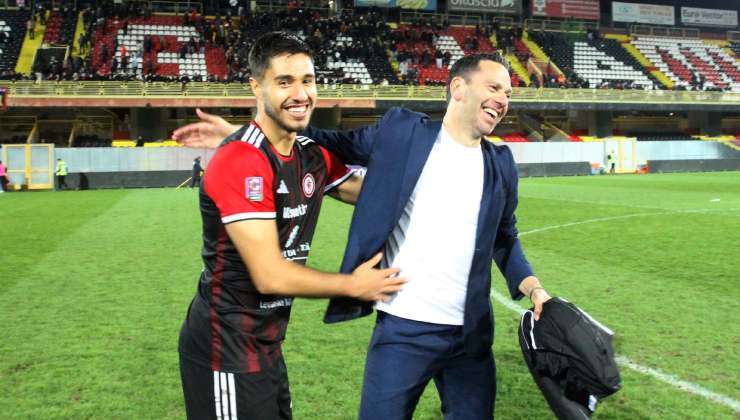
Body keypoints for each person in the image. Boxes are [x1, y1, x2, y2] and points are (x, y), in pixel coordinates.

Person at [175, 52, 552, 419]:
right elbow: (329, 142)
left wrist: (533, 287)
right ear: (458, 88)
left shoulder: (500, 164)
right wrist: (250, 137)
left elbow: (506, 236)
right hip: (403, 330)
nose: (502, 99)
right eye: (494, 87)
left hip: (470, 337)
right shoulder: (403, 131)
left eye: (508, 93)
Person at [175, 32, 405, 420]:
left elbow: (365, 193)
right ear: (256, 86)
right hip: (225, 345)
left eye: (308, 80)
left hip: (266, 343)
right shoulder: (240, 161)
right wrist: (353, 285)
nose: (301, 94)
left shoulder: (309, 154)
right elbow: (268, 276)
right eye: (284, 82)